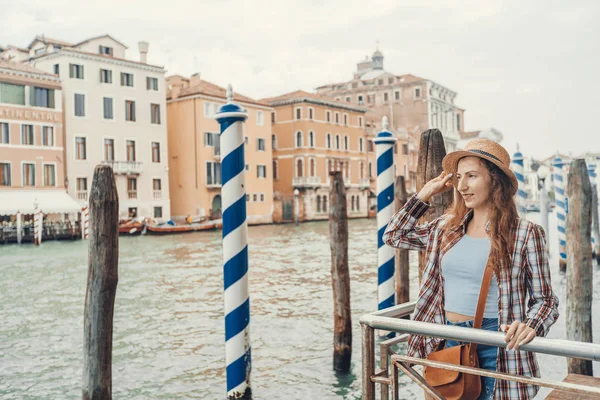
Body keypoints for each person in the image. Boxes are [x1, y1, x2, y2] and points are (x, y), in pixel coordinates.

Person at [383, 139, 559, 400]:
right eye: (459, 177)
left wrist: (531, 325)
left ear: (495, 180)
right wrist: (425, 194)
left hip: (496, 344)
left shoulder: (525, 234)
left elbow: (546, 300)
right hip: (445, 340)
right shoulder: (445, 228)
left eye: (472, 176)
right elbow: (393, 235)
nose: (462, 186)